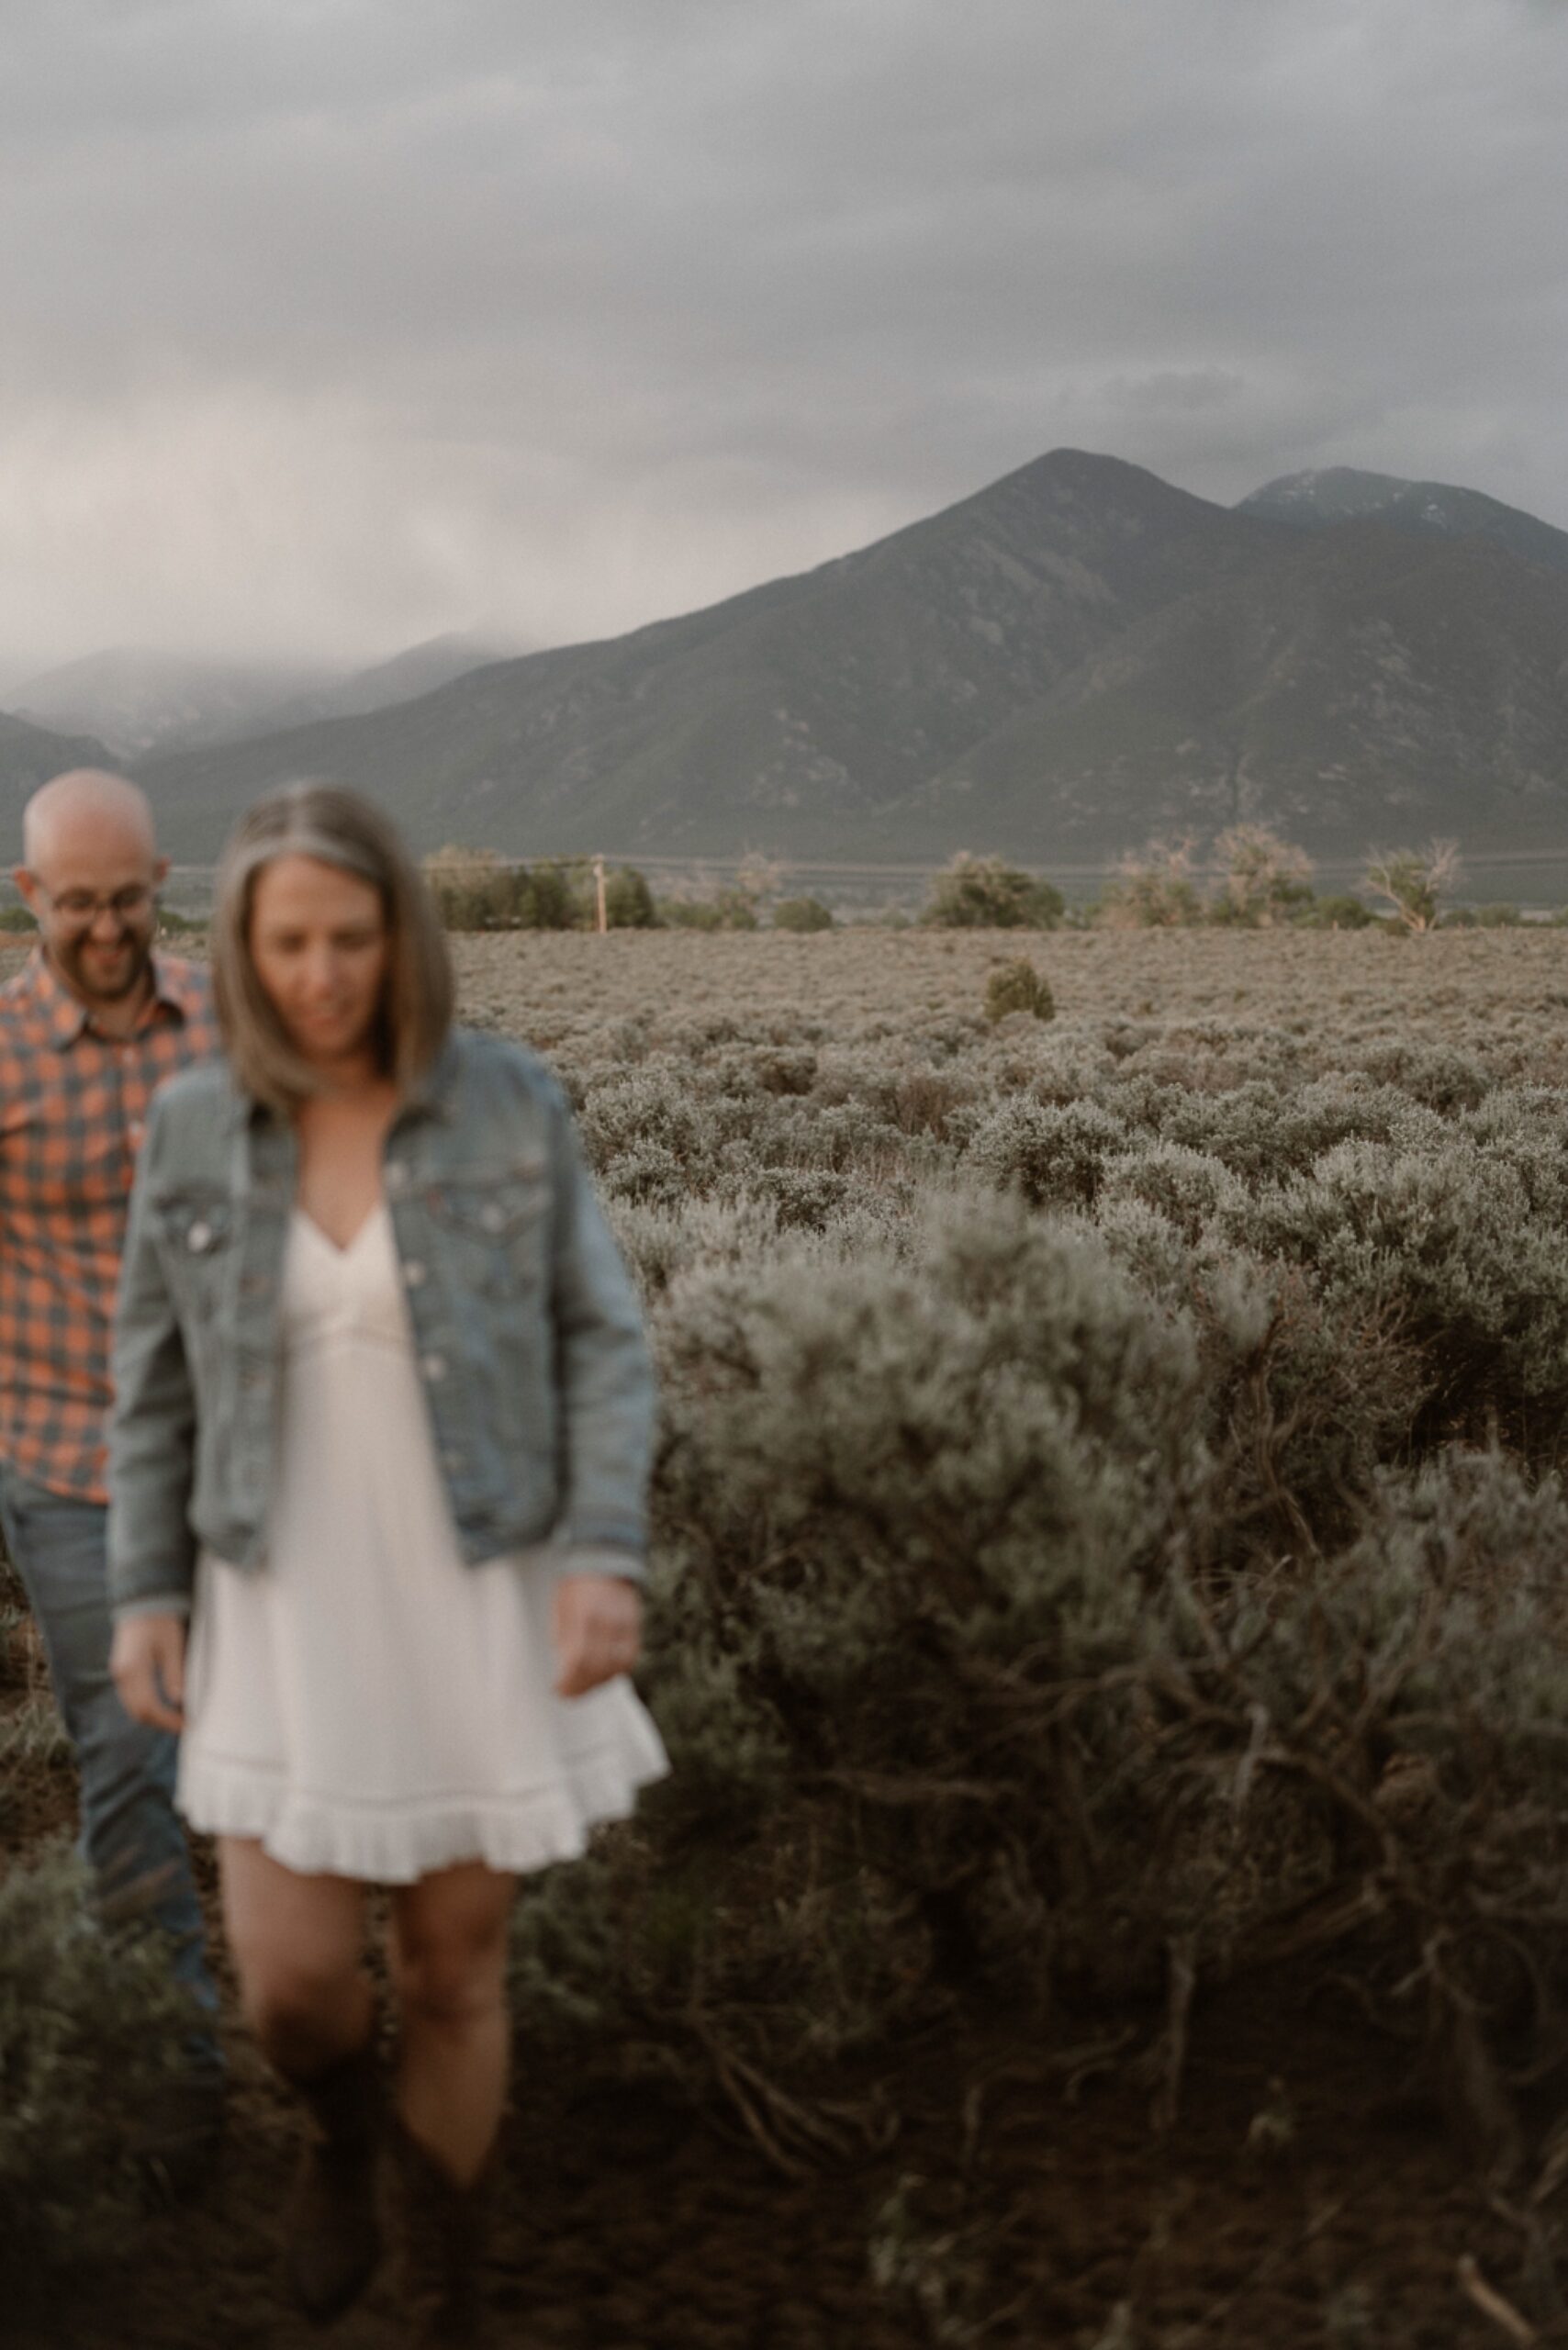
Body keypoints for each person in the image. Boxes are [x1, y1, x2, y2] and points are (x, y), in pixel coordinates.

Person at [107, 781, 666, 2346]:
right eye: (288, 941)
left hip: (476, 1586)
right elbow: (148, 1386)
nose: (323, 974)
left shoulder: (506, 1102)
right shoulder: (197, 1125)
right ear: (240, 948)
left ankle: (450, 2287)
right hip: (280, 1602)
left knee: (453, 1972)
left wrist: (603, 1552)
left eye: (352, 936)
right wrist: (148, 1591)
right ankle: (340, 2139)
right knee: (292, 1989)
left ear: (399, 933)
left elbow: (604, 1344)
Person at [0, 767, 224, 2168]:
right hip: (68, 1468)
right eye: (76, 902)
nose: (103, 926)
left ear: (159, 885)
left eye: (126, 899)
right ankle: (174, 2088)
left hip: (238, 1466)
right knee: (132, 1765)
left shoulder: (222, 1019)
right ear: (32, 898)